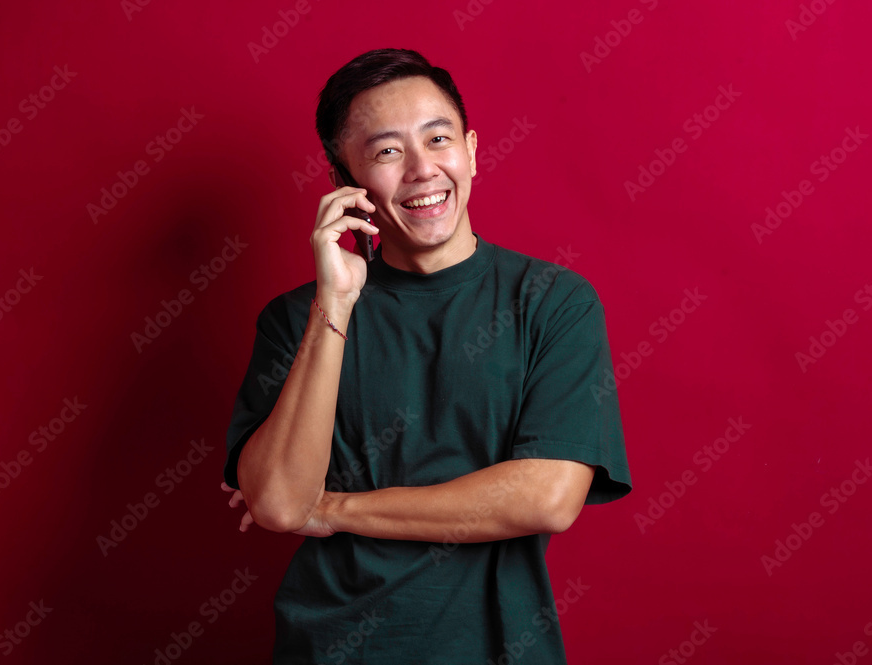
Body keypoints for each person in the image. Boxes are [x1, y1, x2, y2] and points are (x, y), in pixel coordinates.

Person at [221, 48, 632, 664]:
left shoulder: (553, 303)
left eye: (437, 139)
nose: (421, 169)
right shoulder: (294, 320)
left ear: (470, 150)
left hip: (500, 648)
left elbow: (546, 497)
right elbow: (280, 502)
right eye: (387, 151)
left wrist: (332, 507)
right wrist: (336, 299)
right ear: (345, 182)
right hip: (331, 647)